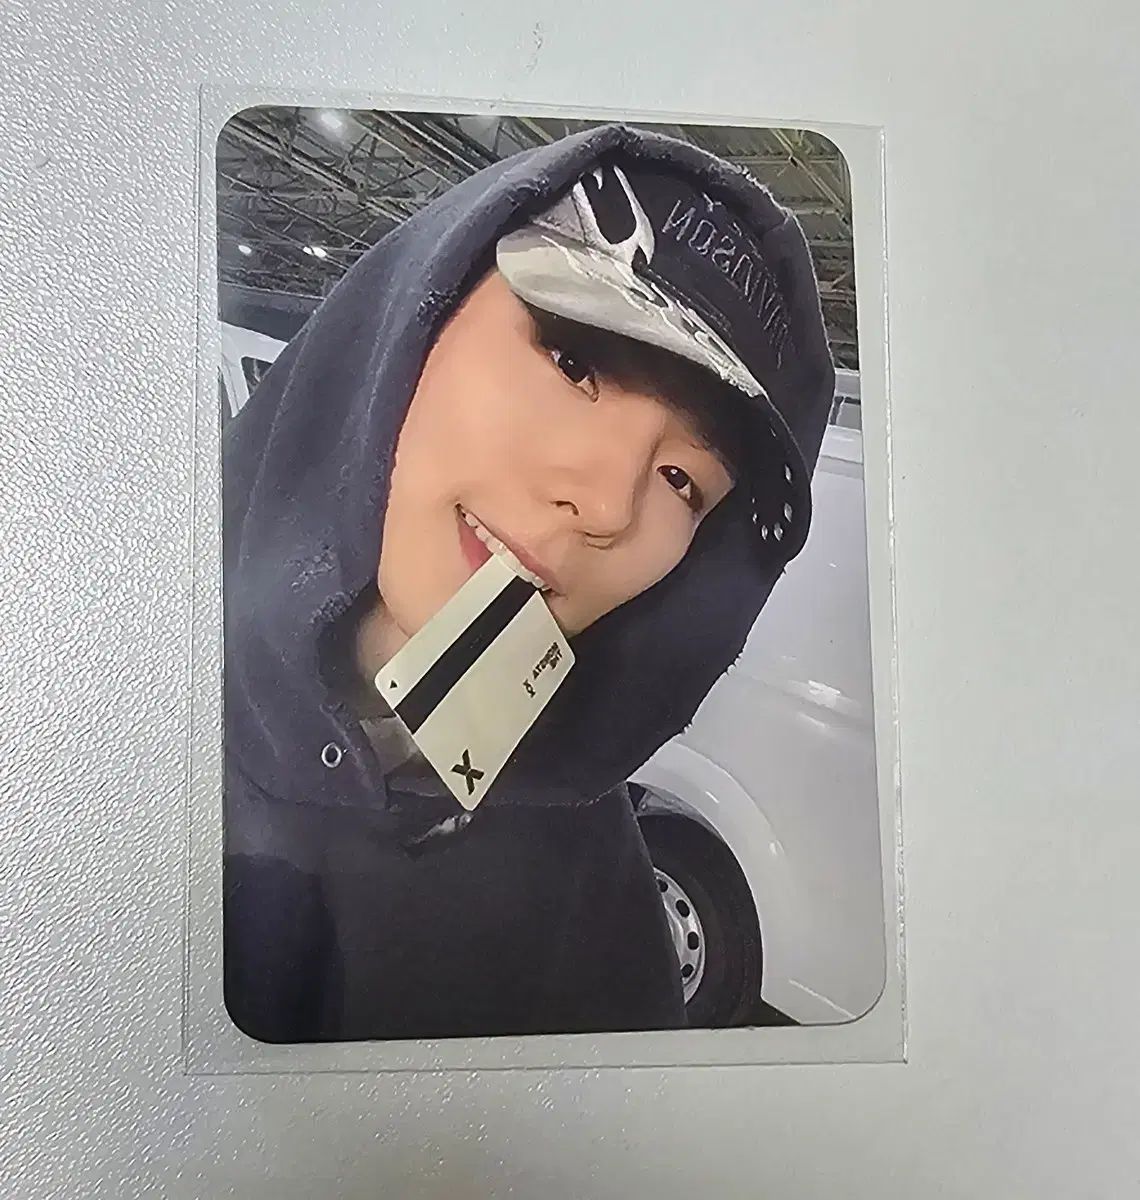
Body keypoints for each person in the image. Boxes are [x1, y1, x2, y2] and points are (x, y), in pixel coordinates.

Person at [221, 122, 836, 1043]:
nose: (607, 506)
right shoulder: (73, 687)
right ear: (411, 317)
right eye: (573, 362)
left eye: (683, 482)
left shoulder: (595, 909)